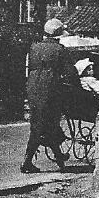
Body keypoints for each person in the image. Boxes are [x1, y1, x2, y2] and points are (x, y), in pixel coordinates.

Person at [22, 18, 77, 173]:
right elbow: (70, 72)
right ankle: (27, 162)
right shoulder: (60, 49)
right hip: (51, 92)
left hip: (33, 90)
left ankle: (59, 157)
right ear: (58, 34)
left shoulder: (33, 48)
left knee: (41, 125)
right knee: (44, 126)